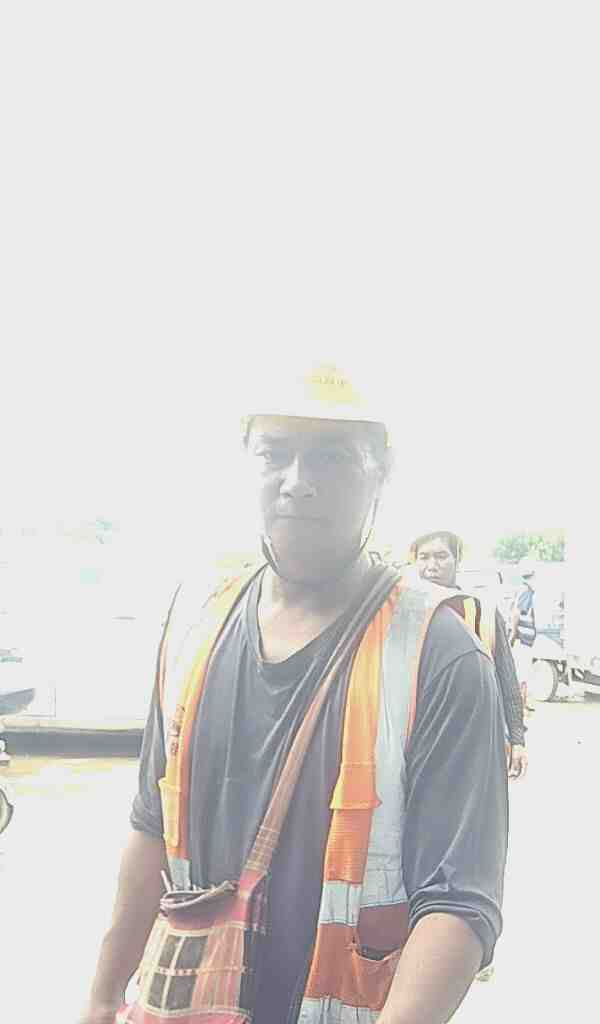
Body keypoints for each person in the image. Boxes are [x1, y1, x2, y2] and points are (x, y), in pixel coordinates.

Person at [79, 365, 508, 1024]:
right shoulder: (196, 621)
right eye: (274, 453)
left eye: (332, 456)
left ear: (382, 473)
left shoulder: (439, 655)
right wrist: (104, 995)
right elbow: (150, 825)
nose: (298, 480)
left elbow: (457, 903)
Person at [409, 531, 528, 781]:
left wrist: (517, 739)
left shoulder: (480, 612)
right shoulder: (403, 615)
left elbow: (506, 676)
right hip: (417, 742)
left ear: (457, 559)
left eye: (441, 556)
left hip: (474, 739)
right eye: (424, 557)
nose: (432, 566)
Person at [510, 558, 538, 713]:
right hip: (523, 639)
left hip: (525, 639)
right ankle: (521, 706)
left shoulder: (525, 590)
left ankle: (523, 704)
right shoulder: (526, 591)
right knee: (523, 673)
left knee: (524, 673)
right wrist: (514, 634)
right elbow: (516, 613)